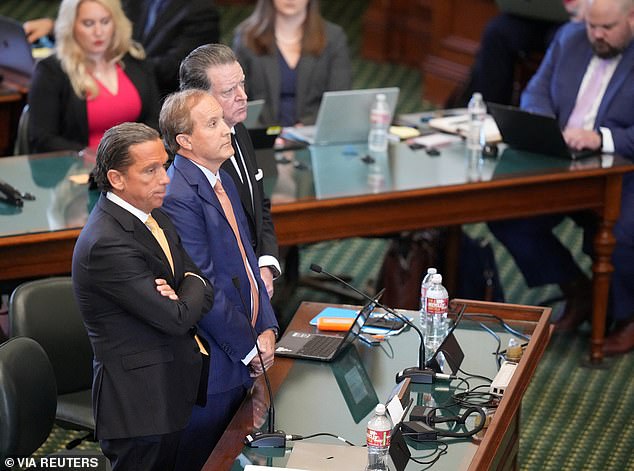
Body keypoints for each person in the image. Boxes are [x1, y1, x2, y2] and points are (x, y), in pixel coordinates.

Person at [488, 0, 634, 355]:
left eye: (607, 28)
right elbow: (535, 91)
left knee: (622, 236)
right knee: (505, 214)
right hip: (563, 159)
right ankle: (576, 288)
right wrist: (545, 126)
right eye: (592, 26)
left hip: (624, 168)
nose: (596, 35)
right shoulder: (570, 37)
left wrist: (601, 138)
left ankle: (628, 318)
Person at [72, 122, 214, 470]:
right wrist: (186, 291)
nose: (165, 178)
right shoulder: (106, 242)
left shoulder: (154, 215)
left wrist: (185, 289)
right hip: (139, 408)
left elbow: (203, 282)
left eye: (164, 166)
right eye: (150, 170)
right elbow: (176, 317)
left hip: (169, 390)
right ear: (117, 179)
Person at [159, 89, 279, 471]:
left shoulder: (220, 177)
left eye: (222, 120)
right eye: (212, 123)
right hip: (216, 363)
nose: (228, 129)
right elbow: (203, 283)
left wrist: (268, 326)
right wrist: (249, 346)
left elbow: (247, 261)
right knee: (208, 460)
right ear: (185, 140)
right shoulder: (178, 194)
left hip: (246, 351)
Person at [179, 44, 281, 298]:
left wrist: (266, 263)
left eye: (242, 84)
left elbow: (260, 205)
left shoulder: (240, 130)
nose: (242, 96)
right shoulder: (190, 159)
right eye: (228, 91)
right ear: (197, 99)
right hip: (222, 295)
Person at [27, 0, 160, 154]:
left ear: (116, 23)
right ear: (70, 26)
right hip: (77, 168)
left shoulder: (136, 61)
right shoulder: (50, 71)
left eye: (105, 22)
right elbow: (42, 138)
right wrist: (93, 156)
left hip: (134, 164)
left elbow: (154, 120)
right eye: (88, 23)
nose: (98, 32)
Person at [24, 0, 220, 96]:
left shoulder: (201, 12)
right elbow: (105, 30)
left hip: (160, 100)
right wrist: (55, 28)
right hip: (112, 84)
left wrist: (113, 67)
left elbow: (175, 69)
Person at [232, 0, 352, 126]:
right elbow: (236, 98)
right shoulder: (247, 37)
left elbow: (339, 99)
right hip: (261, 135)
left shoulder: (333, 38)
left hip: (313, 134)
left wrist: (305, 128)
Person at [450, 0, 584, 107]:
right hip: (532, 15)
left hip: (575, 21)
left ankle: (553, 117)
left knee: (565, 38)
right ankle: (489, 112)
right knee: (496, 31)